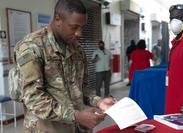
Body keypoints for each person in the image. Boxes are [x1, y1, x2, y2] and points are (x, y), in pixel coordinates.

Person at [14, 0, 115, 132]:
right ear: (57, 19)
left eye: (82, 27)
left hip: (78, 128)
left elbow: (82, 87)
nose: (79, 33)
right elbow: (33, 98)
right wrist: (76, 116)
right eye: (74, 27)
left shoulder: (77, 49)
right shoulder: (31, 47)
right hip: (47, 129)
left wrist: (98, 101)